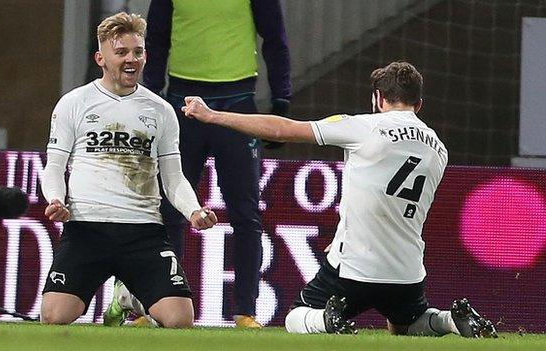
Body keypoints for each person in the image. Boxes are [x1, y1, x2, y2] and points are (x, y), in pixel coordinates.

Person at [181, 61, 498, 337]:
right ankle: (449, 320)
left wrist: (214, 116)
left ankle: (326, 320)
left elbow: (283, 130)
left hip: (355, 267)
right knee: (406, 322)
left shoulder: (364, 126)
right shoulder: (438, 147)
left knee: (297, 315)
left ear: (378, 99)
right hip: (407, 270)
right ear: (419, 104)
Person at [106, 0, 292, 328]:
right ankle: (156, 306)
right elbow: (157, 39)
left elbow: (274, 37)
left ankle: (245, 312)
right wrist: (147, 96)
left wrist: (281, 100)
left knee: (245, 212)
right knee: (167, 211)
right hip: (181, 104)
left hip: (236, 104)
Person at [39, 12, 217, 327]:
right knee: (54, 316)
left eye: (137, 52)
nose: (131, 59)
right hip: (87, 229)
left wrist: (193, 211)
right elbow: (54, 165)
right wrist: (55, 199)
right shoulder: (74, 103)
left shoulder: (160, 111)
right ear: (101, 58)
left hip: (144, 230)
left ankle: (129, 297)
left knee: (180, 321)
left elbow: (173, 177)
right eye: (121, 53)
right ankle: (127, 295)